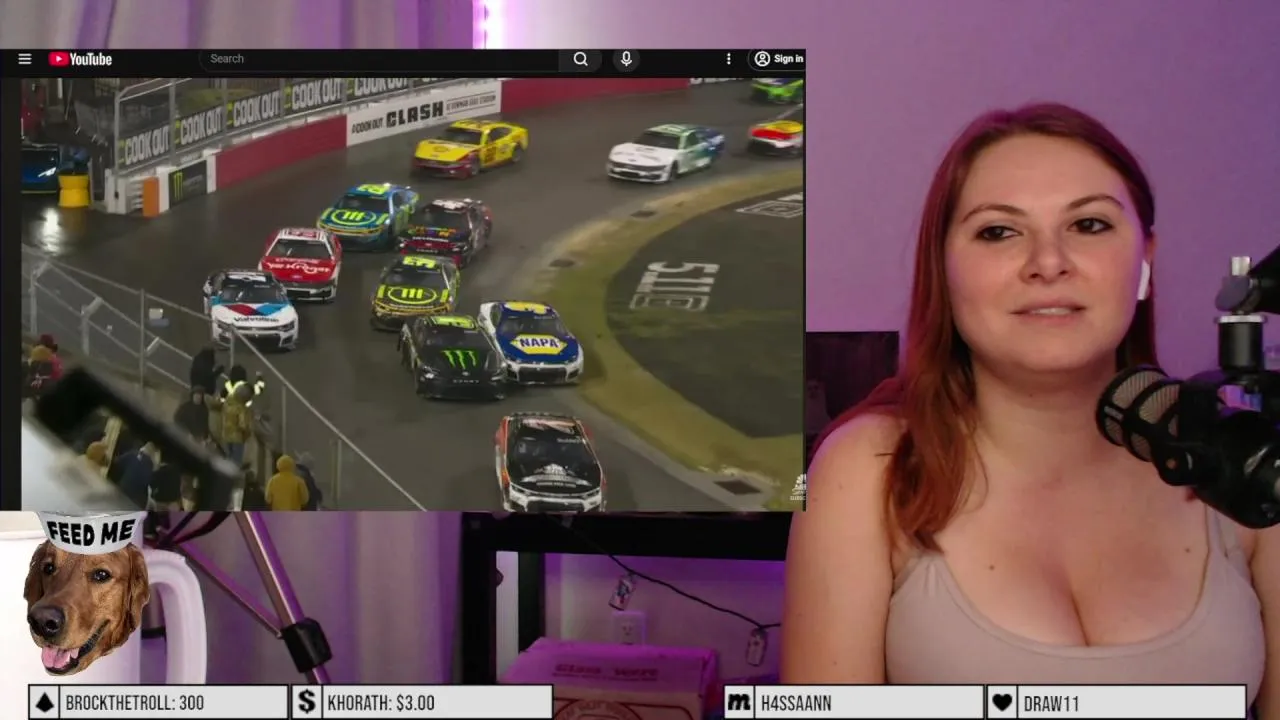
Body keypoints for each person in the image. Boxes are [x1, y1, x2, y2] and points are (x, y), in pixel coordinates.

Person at [782, 103, 1275, 714]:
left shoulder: (1242, 462)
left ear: (1145, 258)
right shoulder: (867, 470)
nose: (1048, 262)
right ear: (943, 267)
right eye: (998, 232)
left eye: (1089, 224)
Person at [220, 384, 255, 466]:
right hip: (237, 437)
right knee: (236, 462)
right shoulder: (241, 407)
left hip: (226, 435)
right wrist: (247, 434)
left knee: (228, 460)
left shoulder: (227, 402)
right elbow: (243, 425)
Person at [117, 442, 157, 509]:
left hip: (123, 487)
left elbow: (119, 461)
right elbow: (146, 481)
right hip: (135, 495)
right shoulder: (150, 464)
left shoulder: (133, 453)